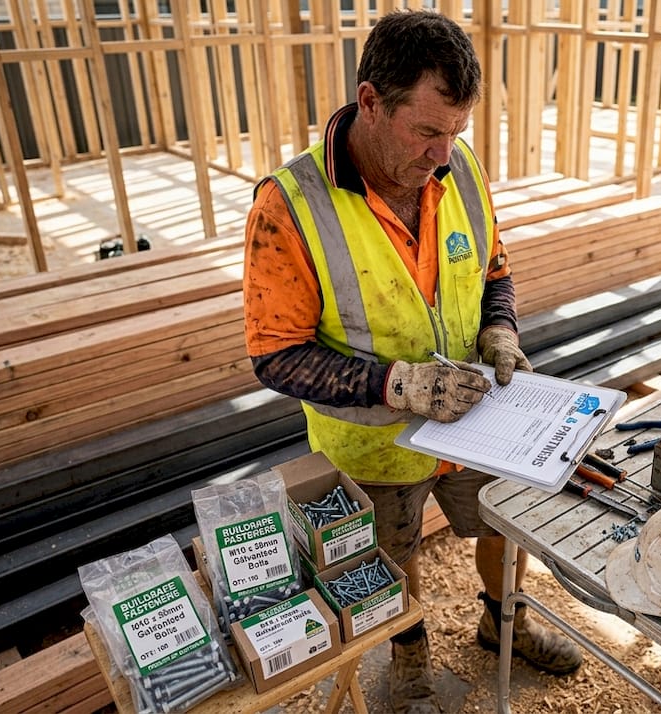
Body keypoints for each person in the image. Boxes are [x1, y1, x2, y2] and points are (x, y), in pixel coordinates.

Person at [242, 8, 583, 713]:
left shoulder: (457, 168)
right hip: (374, 442)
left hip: (477, 419)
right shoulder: (290, 204)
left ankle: (503, 619)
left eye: (456, 133)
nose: (442, 154)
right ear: (371, 101)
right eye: (427, 130)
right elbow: (275, 356)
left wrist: (501, 332)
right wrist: (397, 385)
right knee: (394, 552)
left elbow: (495, 270)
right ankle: (410, 658)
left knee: (501, 524)